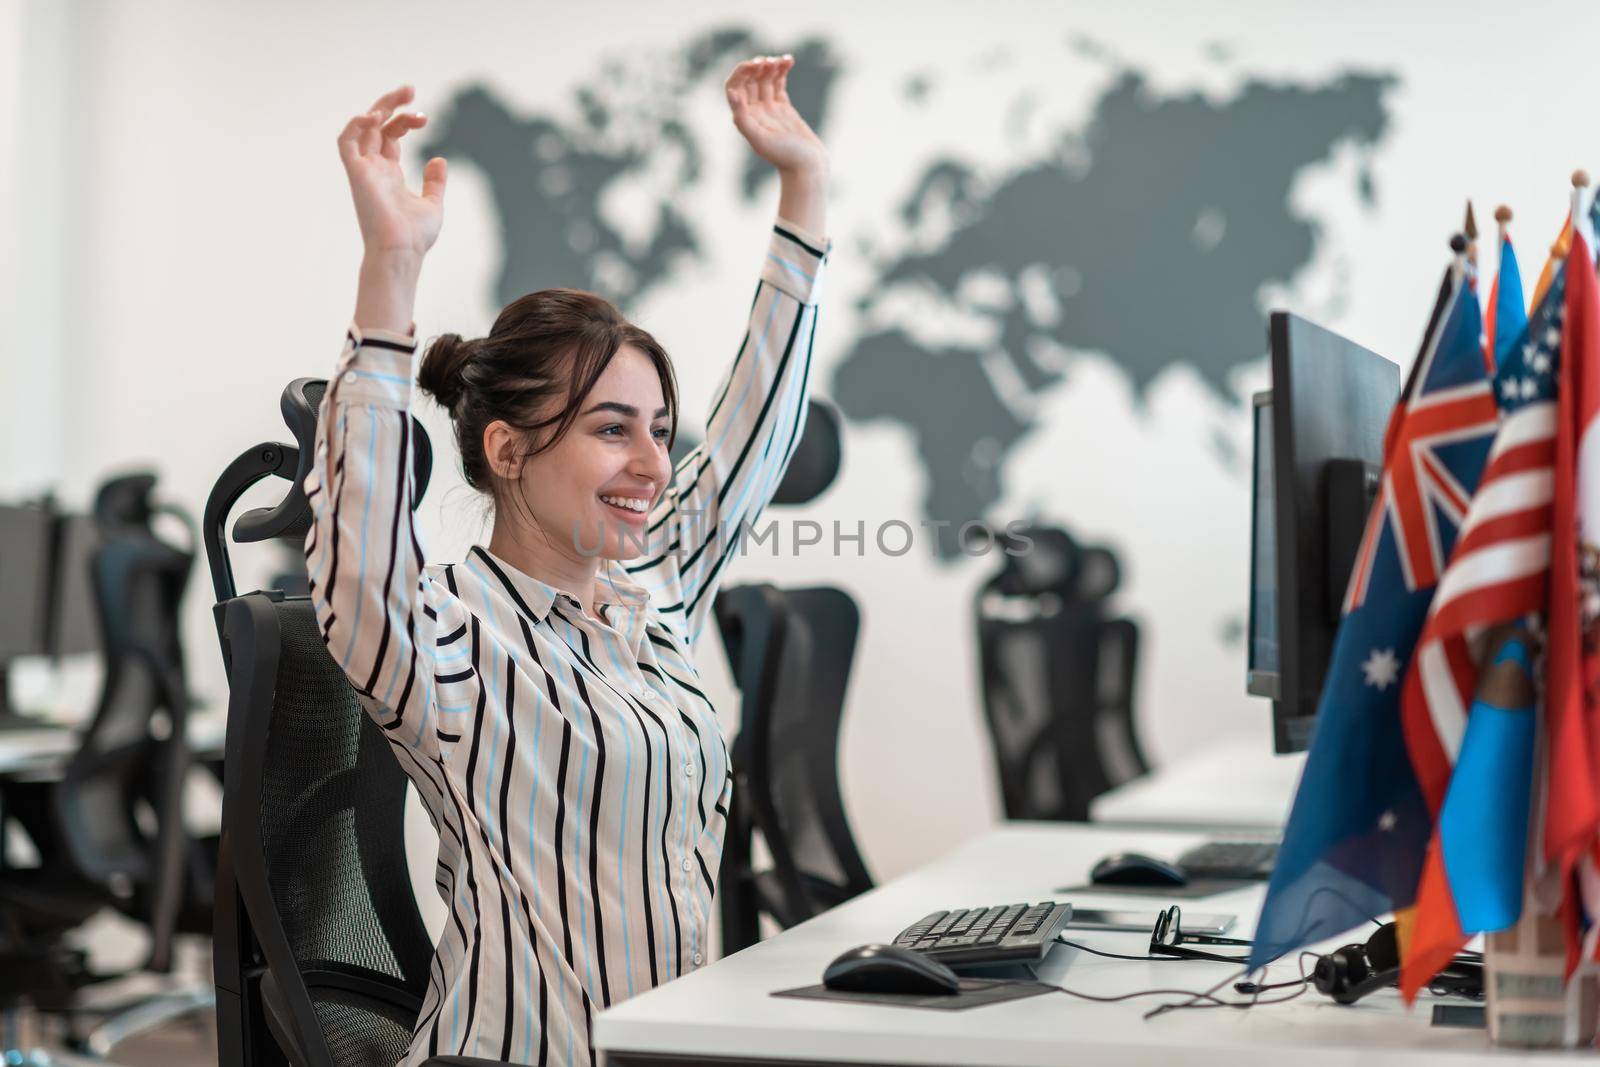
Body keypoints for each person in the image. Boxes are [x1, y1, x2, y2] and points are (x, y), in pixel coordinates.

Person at [304, 56, 830, 1067]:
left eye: (659, 430)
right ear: (507, 451)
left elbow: (753, 445)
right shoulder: (445, 638)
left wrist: (802, 192)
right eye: (610, 429)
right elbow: (358, 551)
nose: (650, 464)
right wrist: (390, 277)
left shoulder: (651, 600)